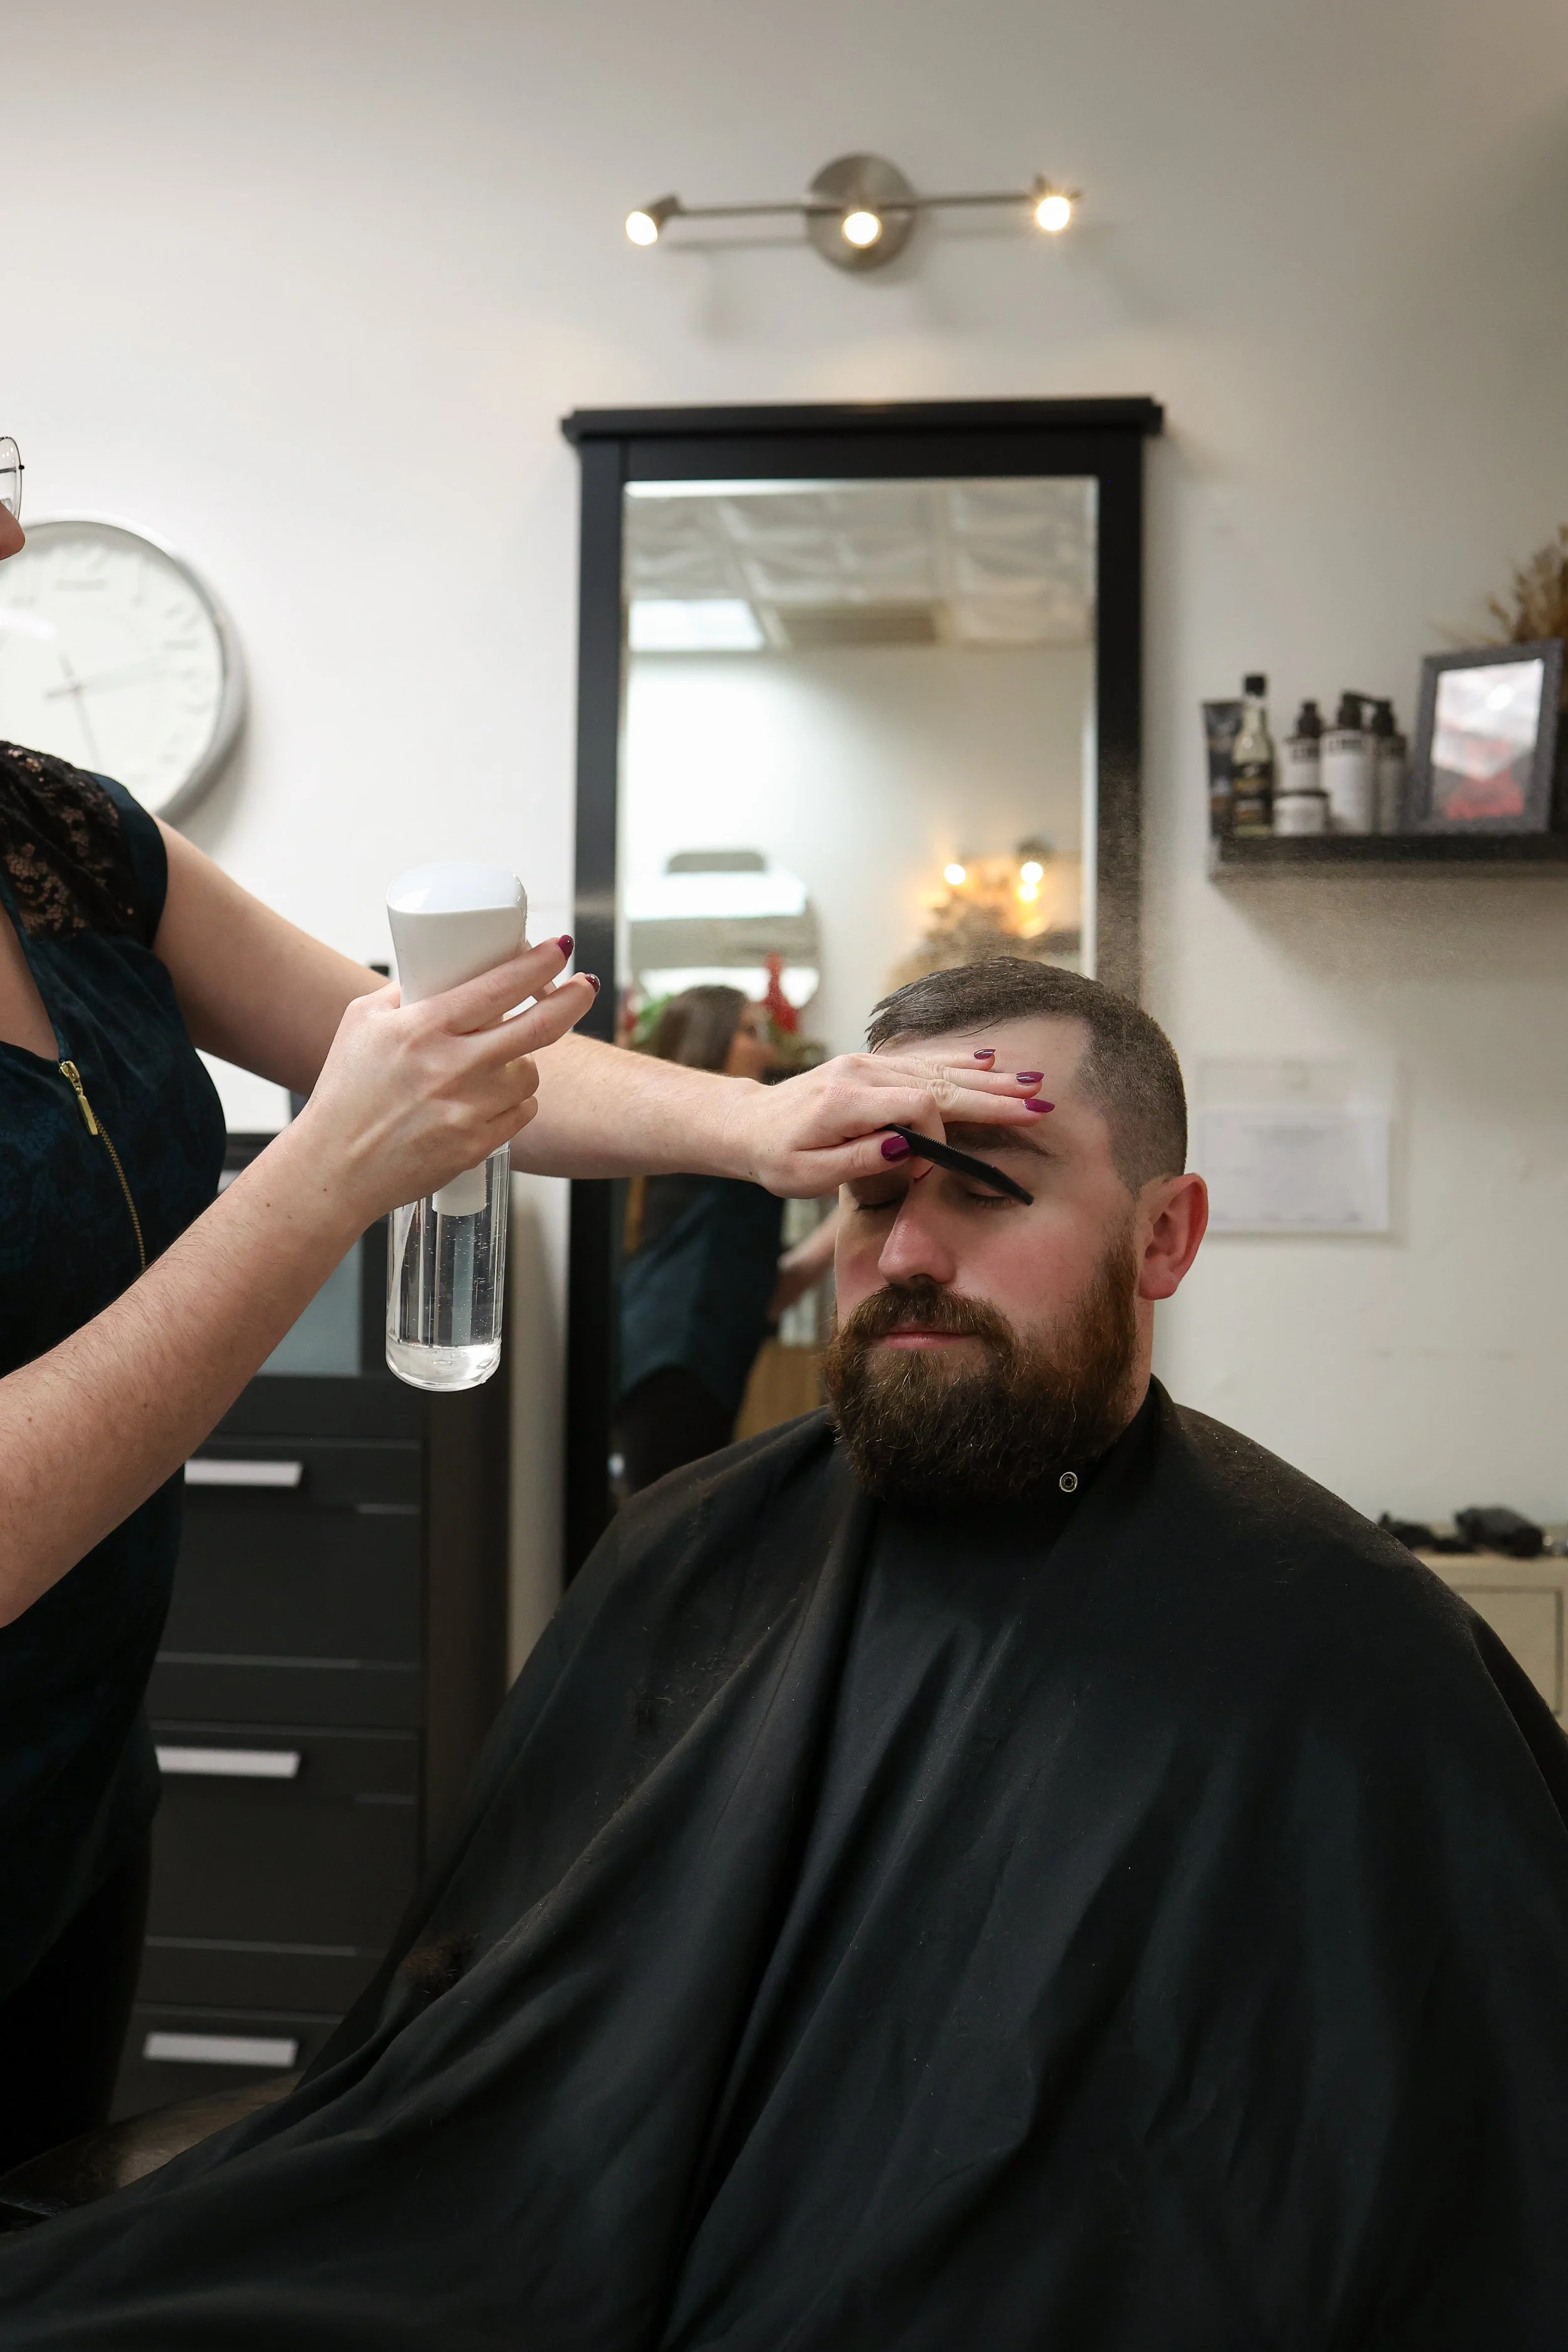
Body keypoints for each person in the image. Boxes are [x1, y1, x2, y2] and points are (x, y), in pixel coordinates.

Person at [4, 953, 1565, 2347]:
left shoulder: (1343, 1639)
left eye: (992, 1184)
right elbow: (482, 2063)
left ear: (1165, 1237)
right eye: (879, 1192)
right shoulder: (693, 1551)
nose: (907, 1253)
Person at [0, 445, 1046, 2171]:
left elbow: (437, 1051)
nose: (15, 530)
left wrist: (758, 1122)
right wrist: (318, 1174)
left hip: (71, 1794)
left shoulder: (65, 838)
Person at [619, 986, 835, 1490]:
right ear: (707, 1040)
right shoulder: (711, 1149)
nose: (766, 1049)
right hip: (673, 1371)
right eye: (749, 1032)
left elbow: (766, 1295)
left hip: (690, 1365)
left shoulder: (715, 1159)